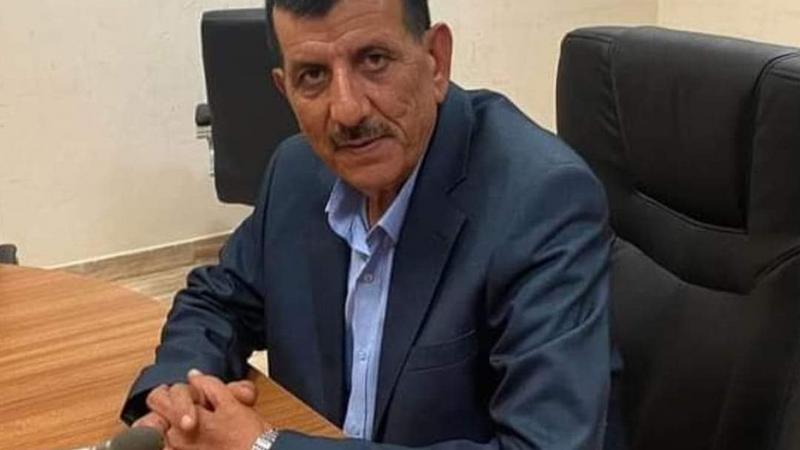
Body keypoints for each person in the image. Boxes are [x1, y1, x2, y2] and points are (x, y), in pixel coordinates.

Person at [121, 0, 616, 449]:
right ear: (284, 89)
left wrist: (264, 447)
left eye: (374, 60)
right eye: (312, 75)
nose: (347, 110)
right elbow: (218, 300)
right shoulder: (296, 171)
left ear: (436, 60)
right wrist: (176, 394)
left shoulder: (541, 200)